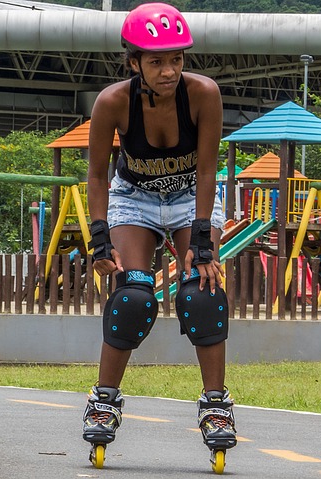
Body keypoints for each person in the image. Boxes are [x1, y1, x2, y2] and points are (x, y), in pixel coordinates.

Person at [82, 1, 237, 464]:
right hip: (133, 198)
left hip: (193, 195)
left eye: (176, 59)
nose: (168, 71)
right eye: (155, 61)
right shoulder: (113, 101)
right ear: (134, 63)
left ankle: (216, 407)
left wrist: (204, 239)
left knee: (203, 293)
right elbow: (95, 175)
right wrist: (99, 235)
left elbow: (207, 170)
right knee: (133, 296)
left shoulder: (204, 94)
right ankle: (104, 400)